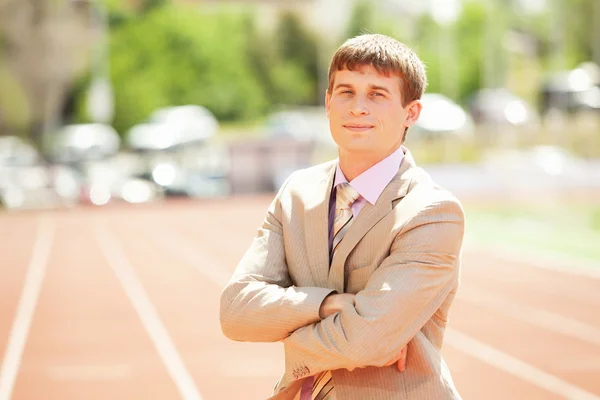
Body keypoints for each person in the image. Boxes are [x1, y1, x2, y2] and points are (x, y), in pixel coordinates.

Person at [220, 33, 464, 400]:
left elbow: (367, 341)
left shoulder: (432, 212)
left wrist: (288, 337)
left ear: (410, 113)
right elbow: (237, 310)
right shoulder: (297, 192)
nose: (357, 107)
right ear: (328, 102)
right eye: (346, 92)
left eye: (377, 94)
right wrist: (327, 302)